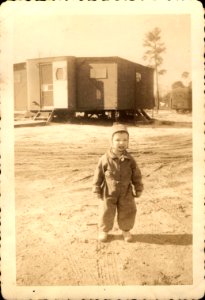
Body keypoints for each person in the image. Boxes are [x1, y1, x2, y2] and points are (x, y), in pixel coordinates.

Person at [92, 124, 143, 242]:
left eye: (125, 140)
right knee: (106, 211)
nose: (121, 143)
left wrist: (138, 188)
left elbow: (136, 175)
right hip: (109, 191)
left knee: (128, 210)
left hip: (126, 191)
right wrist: (96, 188)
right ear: (111, 141)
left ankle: (126, 230)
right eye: (118, 140)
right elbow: (98, 174)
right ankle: (104, 231)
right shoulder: (105, 159)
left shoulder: (130, 160)